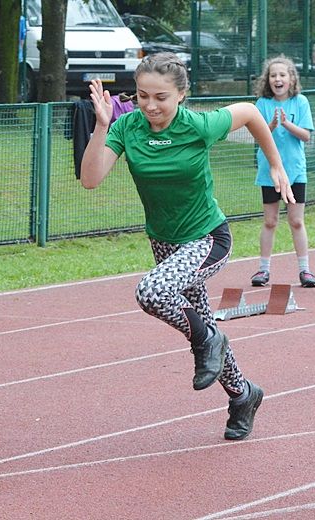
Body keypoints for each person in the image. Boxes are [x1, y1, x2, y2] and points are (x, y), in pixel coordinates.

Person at [81, 53, 292, 441]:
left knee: (153, 292)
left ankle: (209, 340)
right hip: (164, 243)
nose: (150, 105)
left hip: (207, 238)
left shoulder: (198, 125)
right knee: (202, 325)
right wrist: (101, 125)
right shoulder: (127, 127)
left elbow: (248, 111)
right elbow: (91, 179)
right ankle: (243, 395)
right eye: (143, 95)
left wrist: (276, 163)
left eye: (160, 96)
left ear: (181, 95)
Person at [250, 55, 315, 289]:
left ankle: (305, 270)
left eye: (282, 75)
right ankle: (263, 269)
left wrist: (287, 124)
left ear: (291, 79)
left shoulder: (300, 102)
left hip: (295, 171)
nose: (277, 79)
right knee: (270, 221)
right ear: (267, 80)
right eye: (273, 75)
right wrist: (271, 126)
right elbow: (258, 136)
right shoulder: (262, 104)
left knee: (296, 221)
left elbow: (307, 135)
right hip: (270, 172)